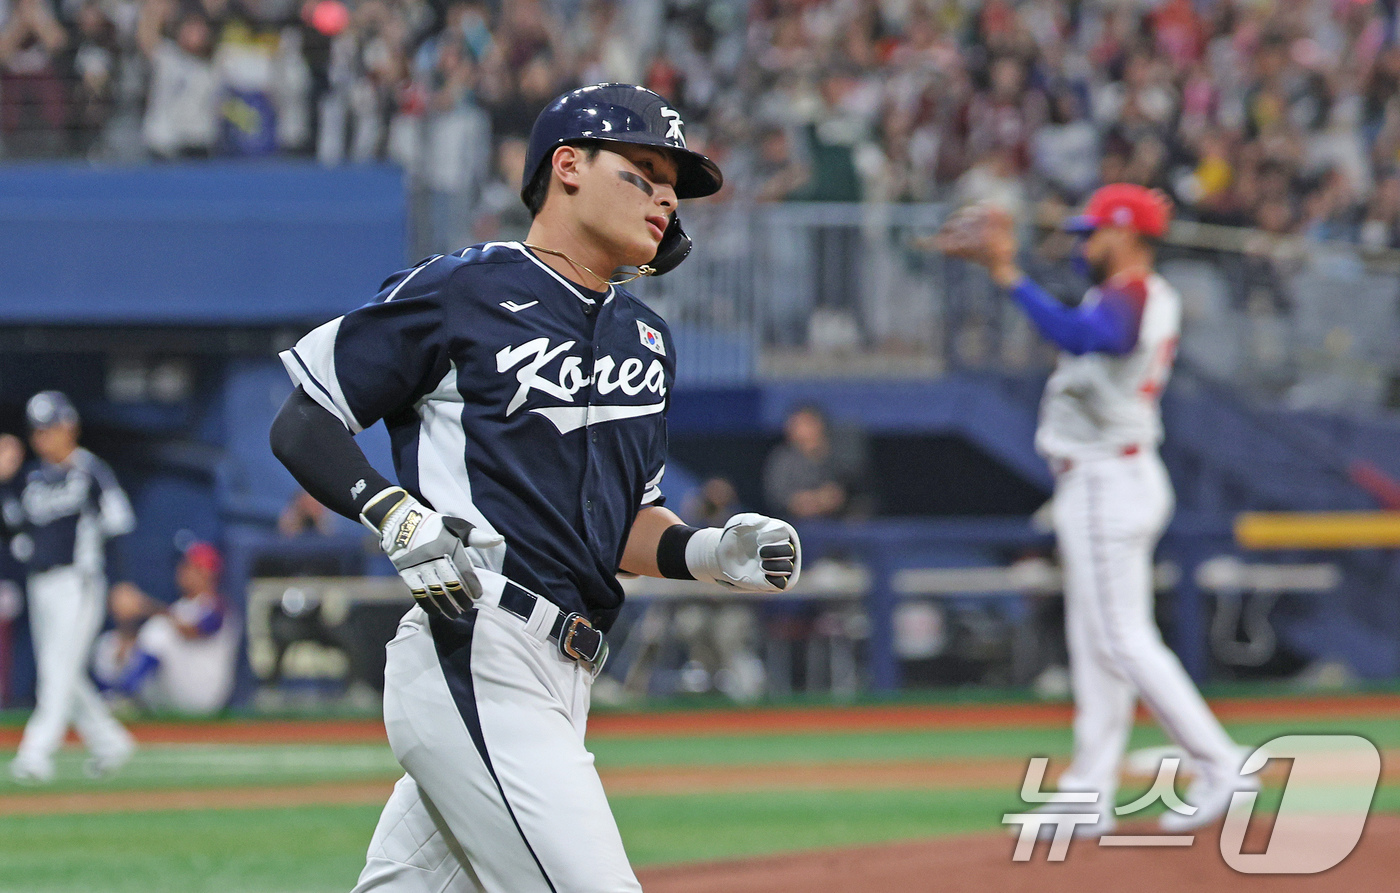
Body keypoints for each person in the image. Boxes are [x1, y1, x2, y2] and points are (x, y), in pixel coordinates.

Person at [268, 83, 802, 893]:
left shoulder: (646, 336)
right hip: (478, 646)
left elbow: (618, 527)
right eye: (645, 168)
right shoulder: (465, 290)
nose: (666, 194)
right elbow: (305, 420)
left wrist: (709, 551)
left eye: (674, 183)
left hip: (567, 672)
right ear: (568, 166)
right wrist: (393, 512)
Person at [935, 185, 1255, 835]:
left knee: (1120, 639)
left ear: (1128, 234)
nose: (1084, 242)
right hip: (1101, 478)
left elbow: (1088, 336)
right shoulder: (1123, 292)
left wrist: (1007, 274)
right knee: (1096, 642)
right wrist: (1009, 268)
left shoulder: (1133, 294)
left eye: (1094, 233)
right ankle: (1089, 790)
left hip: (1110, 480)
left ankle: (1221, 761)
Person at [1, 391, 137, 783]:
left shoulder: (90, 471)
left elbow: (117, 526)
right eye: (38, 431)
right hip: (39, 585)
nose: (45, 438)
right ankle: (111, 741)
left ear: (70, 427)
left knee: (55, 671)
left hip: (79, 582)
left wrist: (122, 582)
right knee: (63, 673)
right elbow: (12, 529)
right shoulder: (30, 478)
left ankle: (35, 753)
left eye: (52, 428)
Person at [92, 541, 238, 715]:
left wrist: (142, 605)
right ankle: (109, 698)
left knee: (159, 629)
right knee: (110, 643)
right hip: (172, 689)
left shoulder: (218, 605)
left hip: (201, 694)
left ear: (207, 573)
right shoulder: (180, 607)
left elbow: (193, 631)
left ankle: (124, 696)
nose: (182, 571)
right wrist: (126, 639)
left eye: (189, 566)